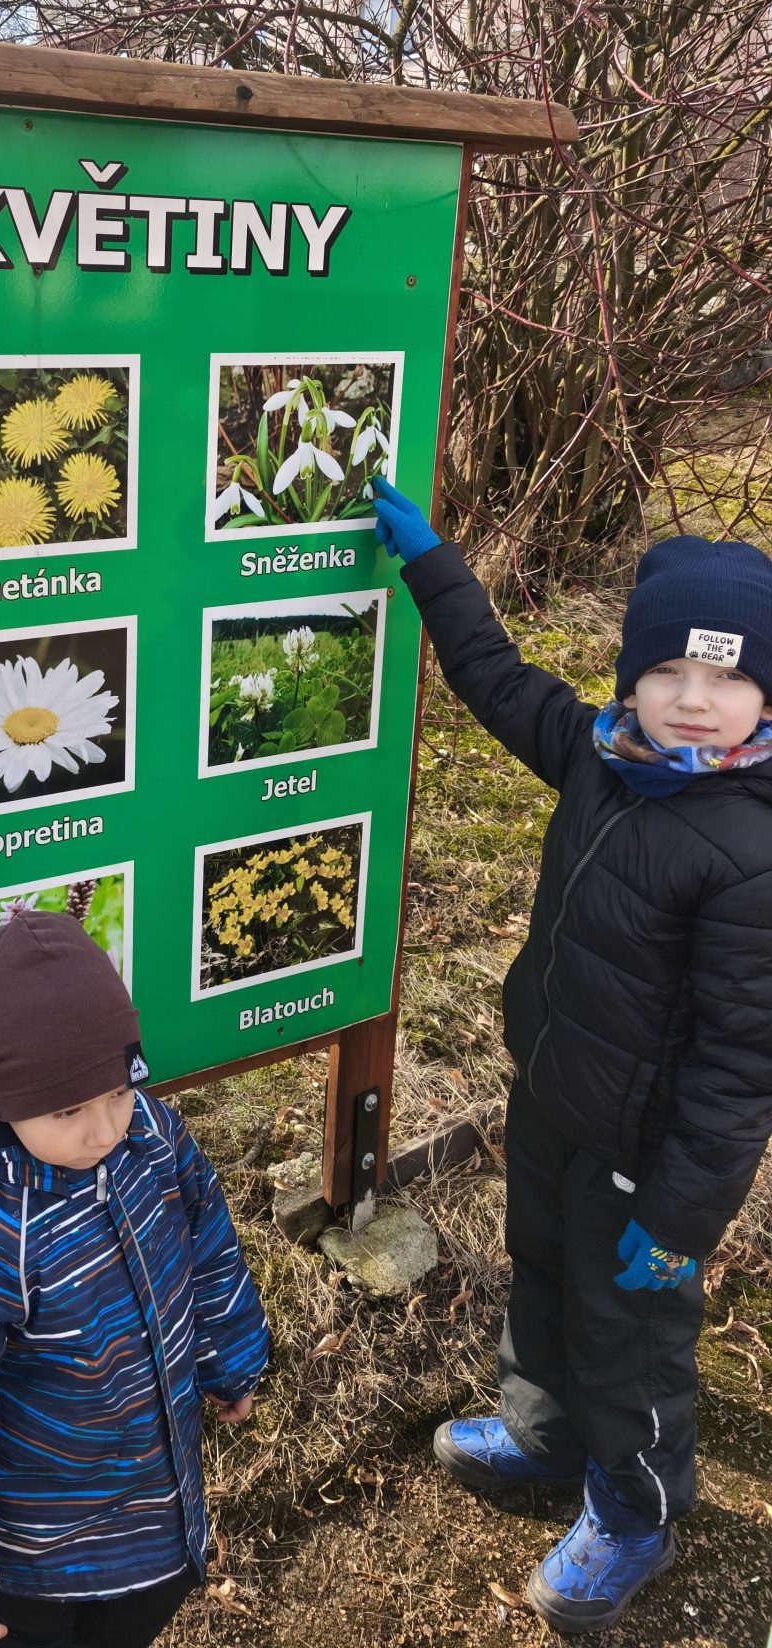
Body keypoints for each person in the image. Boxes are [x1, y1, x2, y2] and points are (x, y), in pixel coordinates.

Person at [371, 476, 772, 1635]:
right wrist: (431, 564)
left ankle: (635, 1512)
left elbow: (743, 1070)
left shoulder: (749, 853)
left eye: (728, 678)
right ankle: (544, 1435)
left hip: (646, 1162)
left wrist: (684, 1218)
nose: (693, 701)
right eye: (669, 672)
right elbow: (496, 678)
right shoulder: (601, 755)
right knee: (541, 1274)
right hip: (552, 1106)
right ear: (629, 679)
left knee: (628, 1336)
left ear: (765, 694)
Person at [0, 907, 269, 1648]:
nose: (103, 1129)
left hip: (157, 1512)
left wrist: (228, 1357)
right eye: (68, 1110)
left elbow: (208, 1244)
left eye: (116, 1090)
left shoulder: (150, 1136)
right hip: (34, 1559)